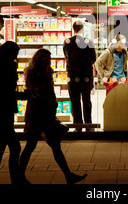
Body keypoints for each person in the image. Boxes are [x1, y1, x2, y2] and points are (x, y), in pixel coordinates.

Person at [18, 49, 86, 184]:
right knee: (35, 146)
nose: (48, 62)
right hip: (38, 114)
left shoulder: (47, 72)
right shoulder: (35, 74)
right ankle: (19, 176)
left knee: (46, 146)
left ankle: (68, 175)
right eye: (46, 60)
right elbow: (37, 93)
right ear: (39, 60)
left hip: (44, 114)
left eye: (49, 60)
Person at [0, 41, 24, 184]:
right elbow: (7, 91)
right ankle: (15, 180)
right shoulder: (6, 67)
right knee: (14, 147)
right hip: (4, 109)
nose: (16, 57)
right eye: (15, 54)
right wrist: (24, 95)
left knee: (0, 148)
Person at [63, 21, 96, 130]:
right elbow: (94, 59)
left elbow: (66, 57)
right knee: (86, 99)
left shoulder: (67, 42)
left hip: (72, 75)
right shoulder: (88, 42)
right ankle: (88, 123)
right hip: (86, 74)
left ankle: (77, 124)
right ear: (83, 29)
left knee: (75, 100)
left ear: (73, 29)